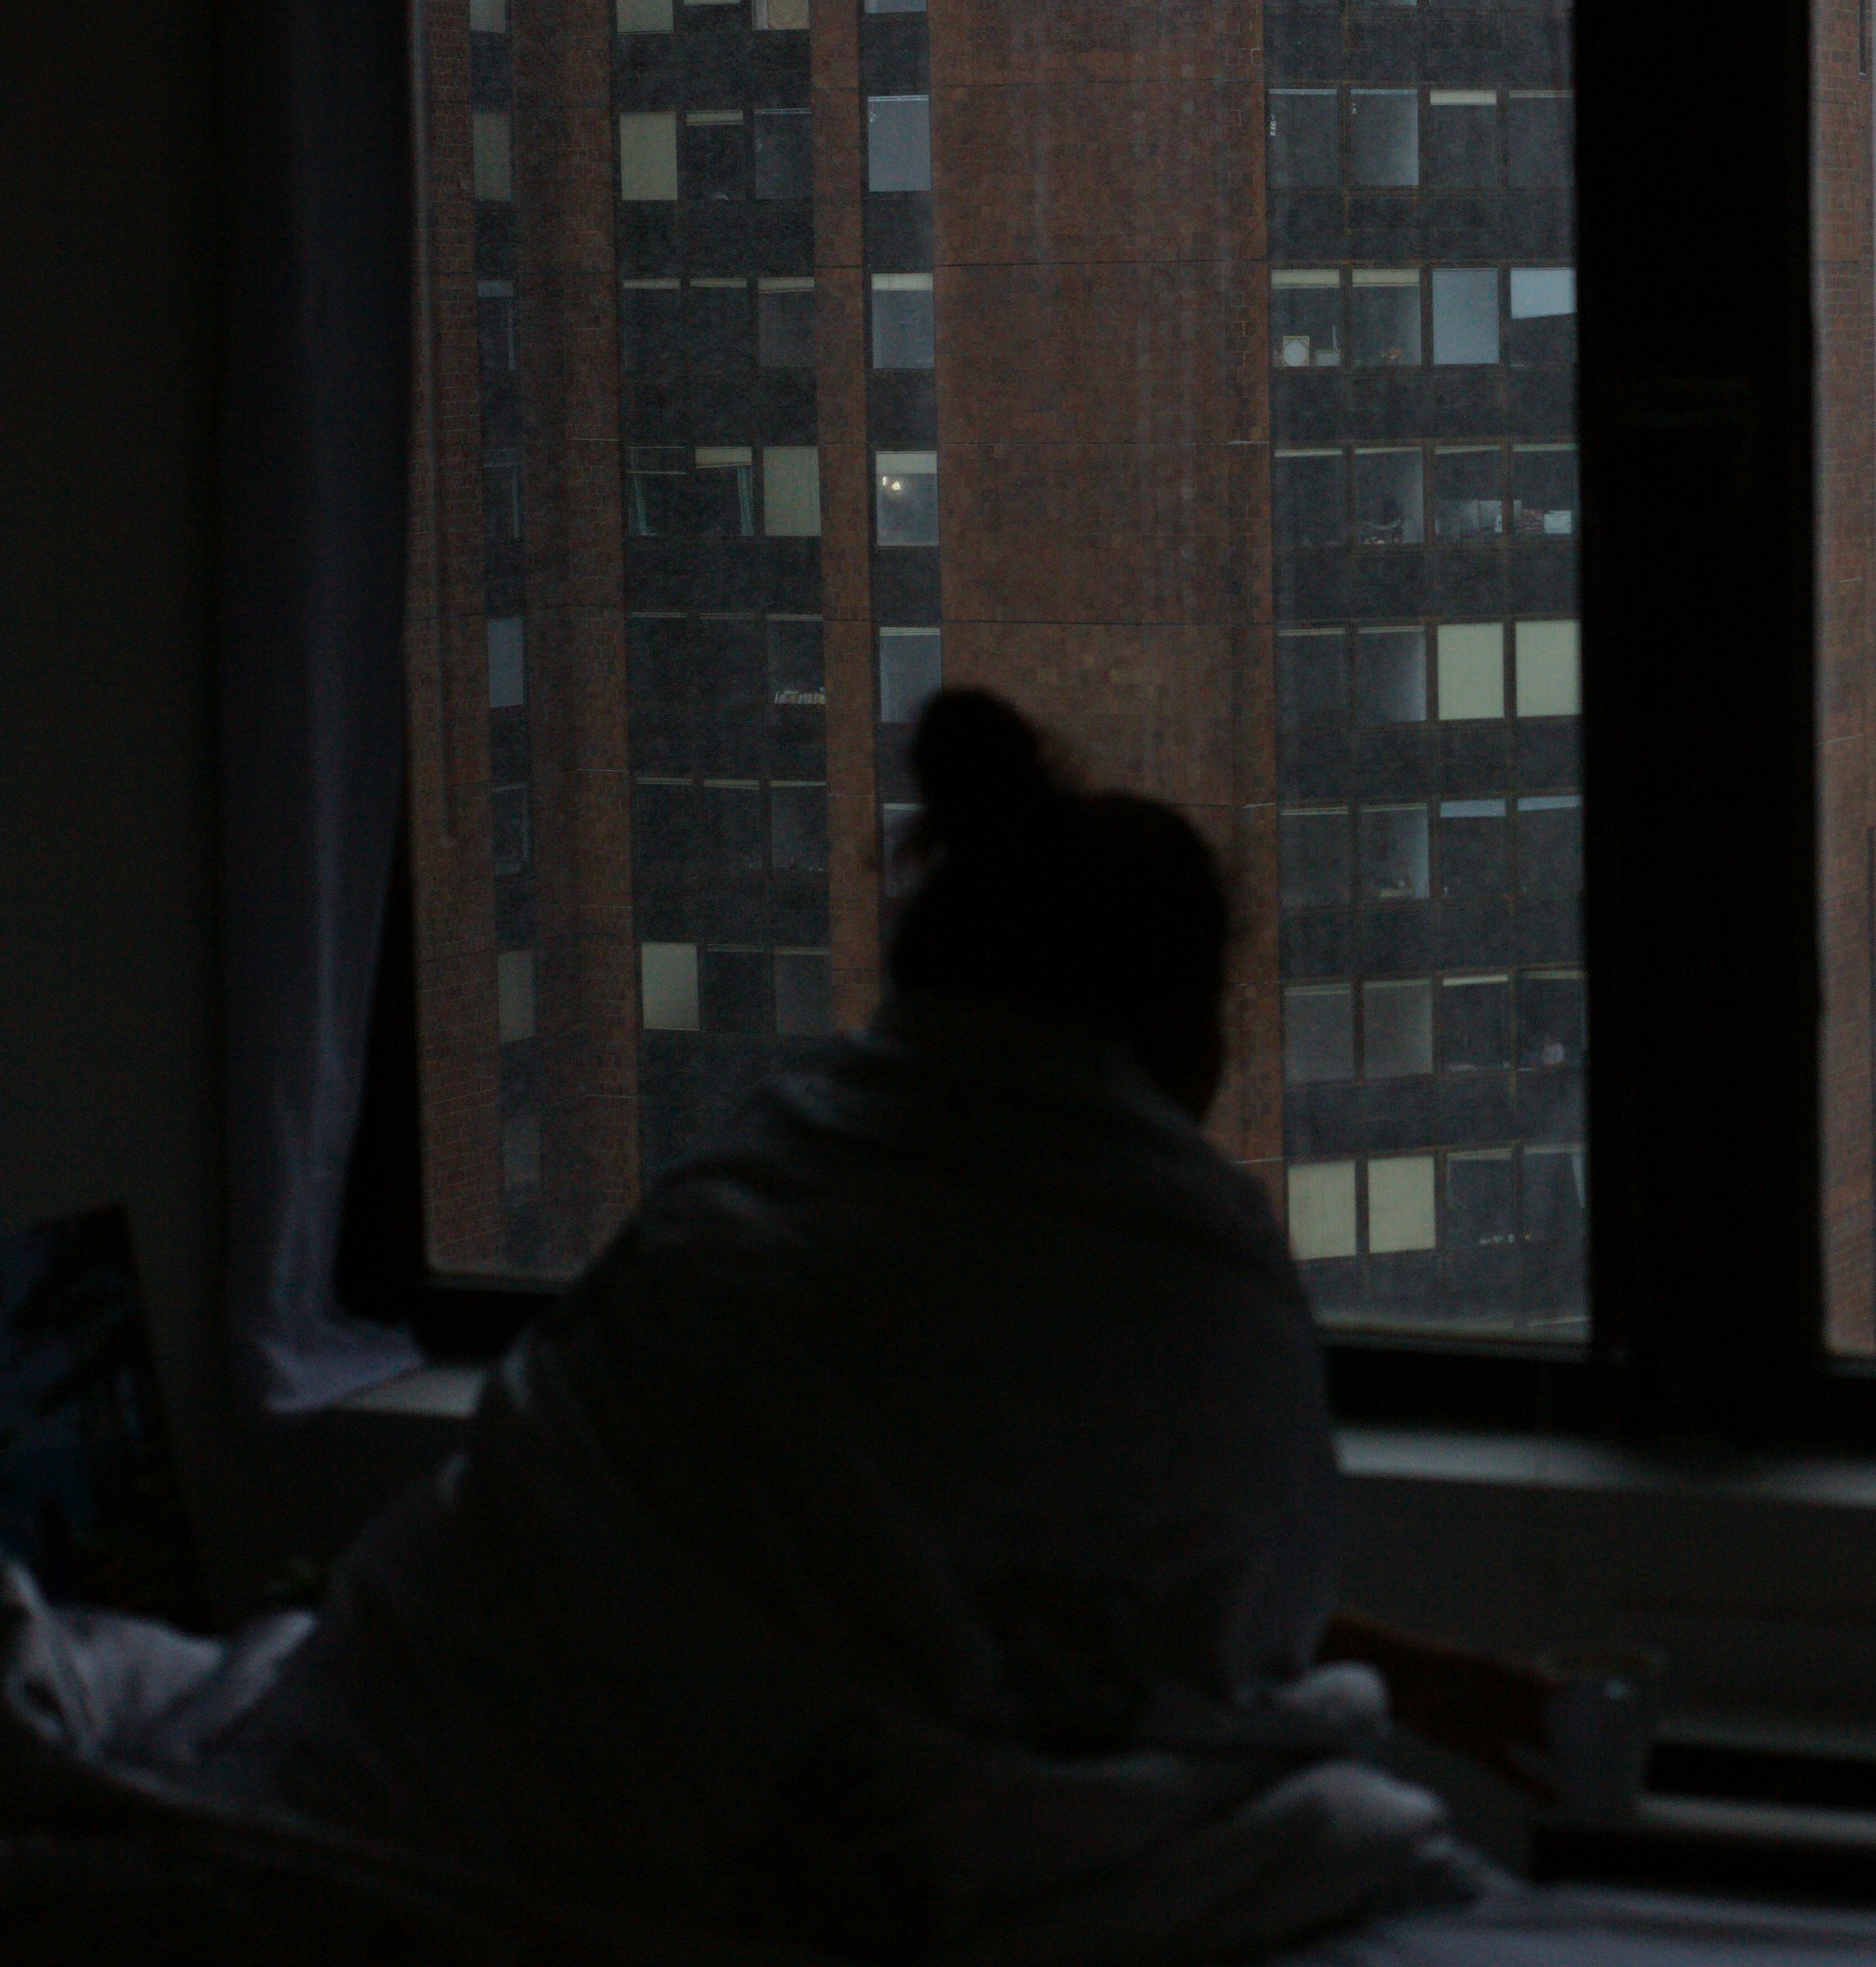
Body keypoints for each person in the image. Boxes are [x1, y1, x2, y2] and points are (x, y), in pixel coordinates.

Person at [182, 689, 1550, 1955]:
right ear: (1171, 1013)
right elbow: (1139, 1646)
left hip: (434, 1766)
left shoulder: (755, 1201)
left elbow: (893, 1575)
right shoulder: (1160, 1277)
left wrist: (1414, 1672)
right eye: (1228, 1010)